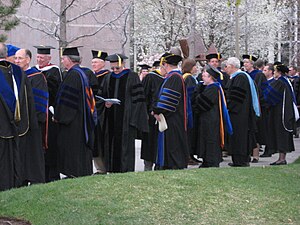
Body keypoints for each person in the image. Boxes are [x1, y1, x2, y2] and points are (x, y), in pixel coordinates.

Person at [0, 43, 45, 191]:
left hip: (2, 127)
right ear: (7, 56)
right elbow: (30, 103)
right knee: (15, 159)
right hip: (20, 127)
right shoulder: (19, 73)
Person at [99, 53, 148, 172]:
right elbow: (101, 96)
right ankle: (111, 168)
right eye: (113, 68)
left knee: (125, 146)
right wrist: (105, 103)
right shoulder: (108, 77)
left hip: (126, 120)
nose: (115, 70)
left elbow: (139, 99)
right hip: (110, 118)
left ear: (123, 65)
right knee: (111, 144)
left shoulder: (132, 76)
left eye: (117, 68)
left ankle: (126, 169)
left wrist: (133, 118)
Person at [54, 46, 97, 178]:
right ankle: (81, 172)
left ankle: (74, 172)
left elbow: (67, 100)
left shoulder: (73, 75)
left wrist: (59, 116)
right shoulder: (81, 73)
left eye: (63, 58)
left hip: (73, 120)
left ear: (70, 60)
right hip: (80, 116)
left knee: (73, 146)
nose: (62, 61)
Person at [152, 53, 189, 169]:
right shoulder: (174, 77)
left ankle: (172, 165)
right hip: (172, 117)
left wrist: (157, 111)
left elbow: (168, 101)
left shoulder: (174, 78)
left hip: (172, 119)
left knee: (173, 143)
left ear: (165, 64)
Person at [194, 65, 233, 167]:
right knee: (207, 139)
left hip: (211, 119)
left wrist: (197, 95)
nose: (202, 76)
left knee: (211, 140)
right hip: (208, 118)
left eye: (205, 75)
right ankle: (206, 160)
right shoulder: (211, 87)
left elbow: (202, 103)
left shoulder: (213, 89)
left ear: (211, 77)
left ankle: (211, 161)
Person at [33, 45, 62, 182]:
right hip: (38, 113)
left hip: (49, 113)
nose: (39, 60)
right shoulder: (33, 71)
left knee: (50, 142)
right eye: (38, 57)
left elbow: (57, 92)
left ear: (49, 58)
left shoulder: (54, 72)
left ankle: (51, 174)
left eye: (42, 58)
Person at [225, 57, 260, 167]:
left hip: (239, 114)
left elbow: (236, 98)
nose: (225, 68)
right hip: (239, 113)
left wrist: (228, 106)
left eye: (227, 66)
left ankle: (241, 160)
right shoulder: (238, 77)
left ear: (232, 66)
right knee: (238, 136)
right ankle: (238, 159)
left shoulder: (240, 78)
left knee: (240, 136)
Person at [262, 62, 298, 165]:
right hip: (284, 112)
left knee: (281, 134)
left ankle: (282, 159)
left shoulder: (280, 82)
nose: (274, 73)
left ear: (279, 72)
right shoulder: (285, 81)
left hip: (281, 113)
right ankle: (281, 158)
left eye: (275, 71)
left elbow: (269, 95)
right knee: (282, 134)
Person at [15, 49, 49, 149]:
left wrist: (33, 121)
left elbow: (39, 104)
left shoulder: (37, 77)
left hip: (31, 124)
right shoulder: (14, 75)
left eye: (20, 58)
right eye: (15, 58)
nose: (17, 61)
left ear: (28, 60)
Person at [242, 54, 267, 163]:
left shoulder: (259, 75)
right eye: (244, 62)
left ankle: (255, 155)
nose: (244, 64)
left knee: (255, 131)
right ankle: (247, 154)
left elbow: (262, 92)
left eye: (246, 62)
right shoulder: (243, 75)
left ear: (252, 64)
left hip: (255, 106)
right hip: (246, 108)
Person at [141, 61, 165, 171]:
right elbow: (143, 97)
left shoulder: (169, 78)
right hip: (150, 118)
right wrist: (148, 112)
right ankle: (148, 165)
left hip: (164, 117)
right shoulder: (150, 77)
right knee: (150, 143)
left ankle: (160, 164)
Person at [91, 50, 109, 175]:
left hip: (104, 113)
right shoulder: (91, 75)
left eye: (96, 62)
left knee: (102, 140)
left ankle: (104, 167)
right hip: (94, 111)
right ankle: (98, 167)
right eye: (92, 62)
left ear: (103, 64)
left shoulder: (107, 76)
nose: (94, 64)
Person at [181, 58, 199, 165]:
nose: (196, 68)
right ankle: (188, 156)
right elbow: (192, 95)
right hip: (190, 109)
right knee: (189, 135)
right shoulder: (189, 79)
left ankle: (190, 155)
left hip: (187, 109)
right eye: (195, 66)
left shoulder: (184, 77)